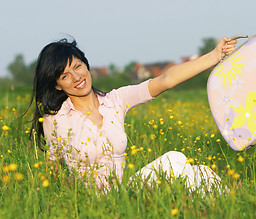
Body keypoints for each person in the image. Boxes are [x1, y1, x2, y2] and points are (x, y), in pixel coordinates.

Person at [30, 36, 237, 191]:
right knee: (184, 170)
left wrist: (215, 56)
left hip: (127, 193)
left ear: (86, 65)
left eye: (78, 66)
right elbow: (53, 169)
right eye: (65, 75)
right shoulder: (55, 119)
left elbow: (165, 80)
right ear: (57, 85)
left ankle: (226, 209)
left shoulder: (115, 101)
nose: (76, 77)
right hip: (96, 202)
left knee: (181, 162)